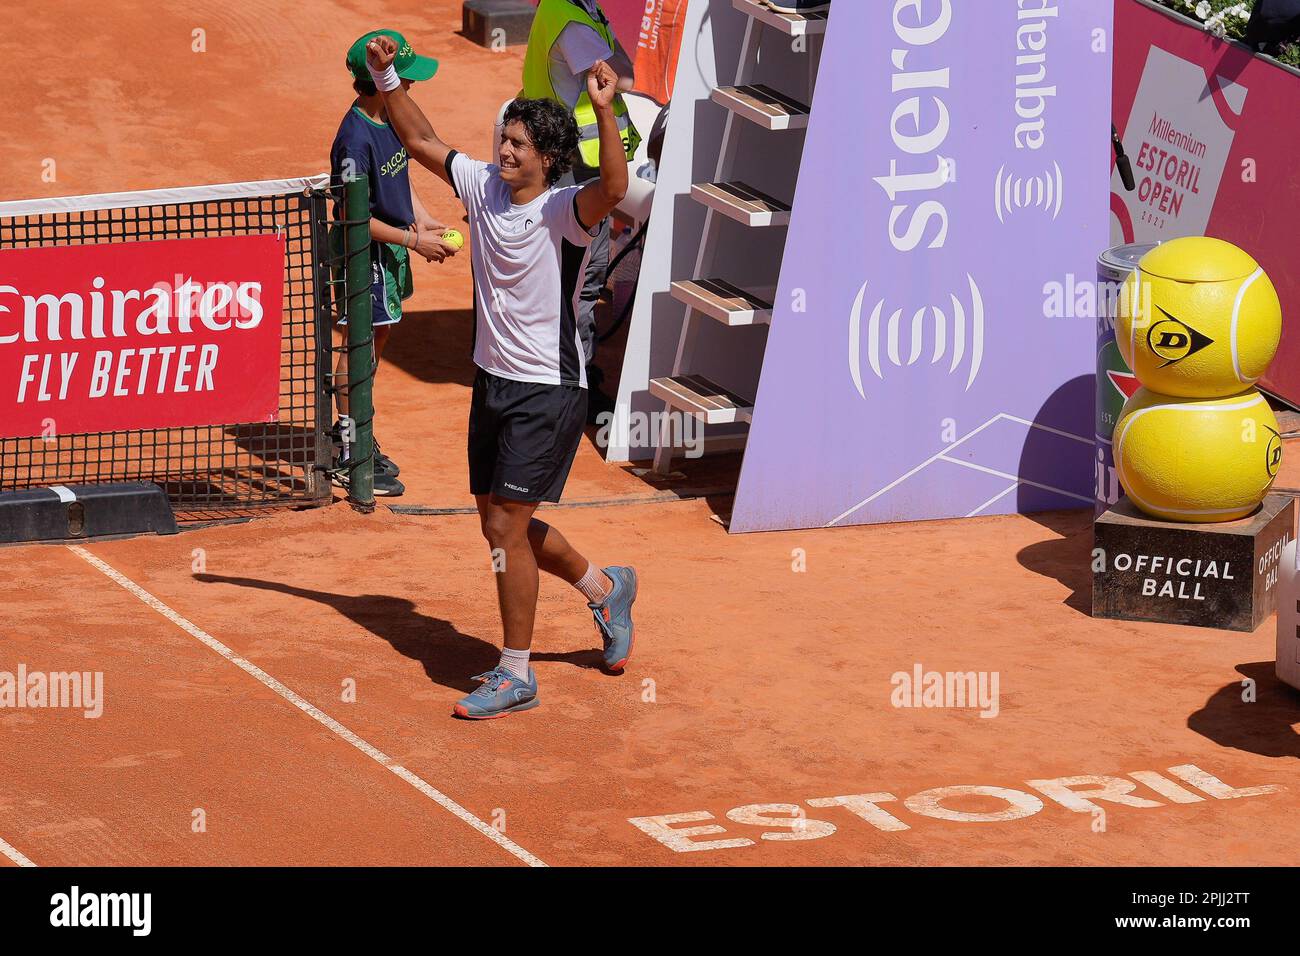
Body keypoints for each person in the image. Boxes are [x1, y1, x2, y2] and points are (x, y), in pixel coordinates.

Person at [363, 36, 639, 719]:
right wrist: (386, 74)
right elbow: (421, 136)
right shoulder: (482, 186)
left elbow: (614, 187)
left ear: (547, 159)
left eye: (519, 145)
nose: (505, 151)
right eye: (504, 139)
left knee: (507, 530)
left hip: (549, 390)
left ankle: (516, 672)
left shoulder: (565, 210)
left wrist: (605, 111)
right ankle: (607, 589)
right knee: (497, 528)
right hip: (492, 382)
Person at [329, 29, 459, 496]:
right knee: (359, 347)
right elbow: (352, 218)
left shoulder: (390, 123)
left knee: (376, 340)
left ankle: (358, 429)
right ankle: (349, 447)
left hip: (387, 254)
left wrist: (423, 224)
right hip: (362, 258)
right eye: (408, 78)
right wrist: (412, 240)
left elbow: (400, 178)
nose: (413, 86)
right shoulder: (354, 139)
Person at [521, 0, 641, 416]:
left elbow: (619, 69)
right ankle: (576, 382)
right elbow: (622, 74)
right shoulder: (572, 20)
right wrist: (618, 67)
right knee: (583, 279)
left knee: (577, 278)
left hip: (572, 164)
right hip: (575, 170)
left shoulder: (576, 8)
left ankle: (575, 369)